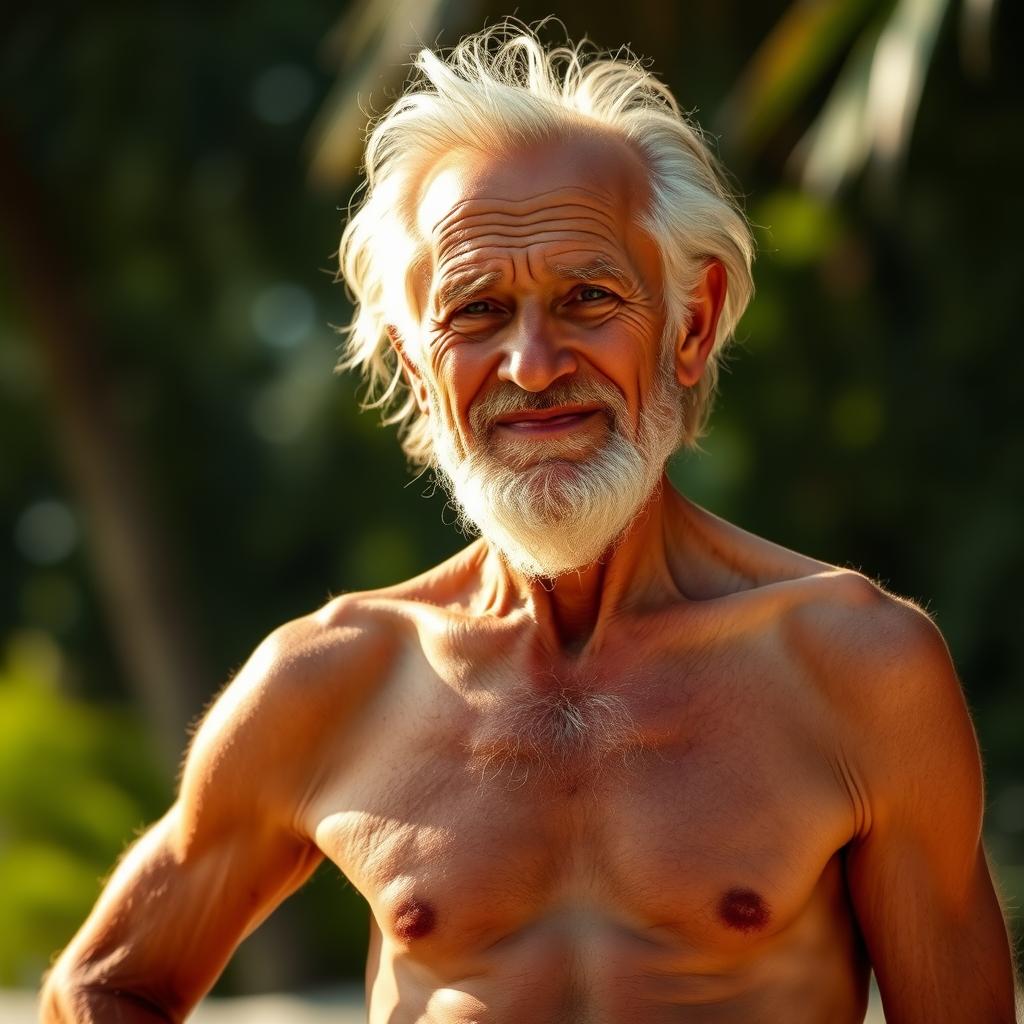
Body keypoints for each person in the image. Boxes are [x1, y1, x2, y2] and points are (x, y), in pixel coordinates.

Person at [40, 24, 1017, 1024]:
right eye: (475, 312)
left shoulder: (855, 667)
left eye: (587, 298)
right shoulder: (332, 680)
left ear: (689, 324)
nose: (532, 365)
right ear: (419, 369)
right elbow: (103, 984)